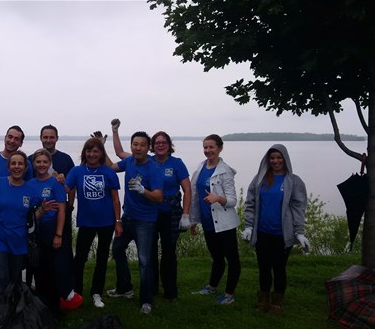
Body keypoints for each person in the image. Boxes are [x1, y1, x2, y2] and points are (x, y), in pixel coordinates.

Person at [111, 119, 192, 301]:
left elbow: (187, 190)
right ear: (152, 147)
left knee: (169, 252)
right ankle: (152, 289)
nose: (161, 145)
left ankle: (170, 292)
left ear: (169, 145)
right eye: (157, 143)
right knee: (150, 253)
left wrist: (186, 215)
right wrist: (115, 132)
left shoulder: (176, 163)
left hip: (170, 212)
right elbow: (118, 154)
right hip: (152, 213)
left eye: (164, 142)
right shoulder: (141, 160)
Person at [242, 144, 309, 313]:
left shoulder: (293, 181)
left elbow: (299, 207)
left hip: (281, 235)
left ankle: (277, 302)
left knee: (279, 269)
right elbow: (250, 203)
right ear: (268, 160)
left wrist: (299, 232)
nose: (275, 161)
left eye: (279, 157)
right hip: (262, 233)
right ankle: (263, 300)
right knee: (264, 268)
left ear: (285, 159)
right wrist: (249, 226)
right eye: (272, 158)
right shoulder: (260, 179)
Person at [0, 151, 49, 302]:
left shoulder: (31, 190)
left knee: (14, 281)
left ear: (25, 167)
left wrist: (42, 211)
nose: (17, 167)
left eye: (20, 164)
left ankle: (12, 314)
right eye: (13, 163)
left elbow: (32, 220)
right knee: (0, 278)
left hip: (19, 241)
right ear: (8, 166)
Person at [105, 131, 163, 314]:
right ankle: (124, 288)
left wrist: (143, 190)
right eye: (135, 144)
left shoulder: (154, 168)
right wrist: (101, 145)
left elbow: (159, 197)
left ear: (148, 148)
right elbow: (111, 166)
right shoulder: (129, 161)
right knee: (117, 249)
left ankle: (147, 301)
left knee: (145, 261)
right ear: (131, 146)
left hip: (145, 222)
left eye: (142, 145)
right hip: (128, 218)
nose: (138, 148)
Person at [65, 138, 122, 309]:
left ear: (101, 153)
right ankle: (77, 291)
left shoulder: (108, 172)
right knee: (80, 258)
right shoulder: (77, 171)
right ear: (84, 153)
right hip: (86, 222)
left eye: (95, 151)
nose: (92, 154)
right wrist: (55, 178)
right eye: (89, 151)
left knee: (102, 259)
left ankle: (96, 292)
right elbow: (66, 189)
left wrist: (118, 221)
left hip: (106, 222)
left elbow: (115, 199)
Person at [189, 134, 241, 305]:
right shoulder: (201, 167)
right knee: (217, 257)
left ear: (220, 148)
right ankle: (212, 287)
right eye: (205, 147)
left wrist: (218, 198)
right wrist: (193, 220)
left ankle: (229, 295)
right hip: (208, 222)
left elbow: (233, 200)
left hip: (225, 224)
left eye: (211, 147)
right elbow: (196, 196)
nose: (208, 150)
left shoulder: (224, 171)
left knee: (232, 259)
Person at [29, 148, 83, 312]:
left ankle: (55, 303)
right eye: (38, 162)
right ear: (33, 164)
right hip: (36, 230)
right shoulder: (29, 184)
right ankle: (40, 302)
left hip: (52, 230)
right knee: (38, 267)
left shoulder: (56, 184)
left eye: (45, 162)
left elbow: (61, 211)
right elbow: (29, 210)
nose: (42, 165)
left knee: (55, 267)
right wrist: (39, 212)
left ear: (50, 164)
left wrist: (59, 235)